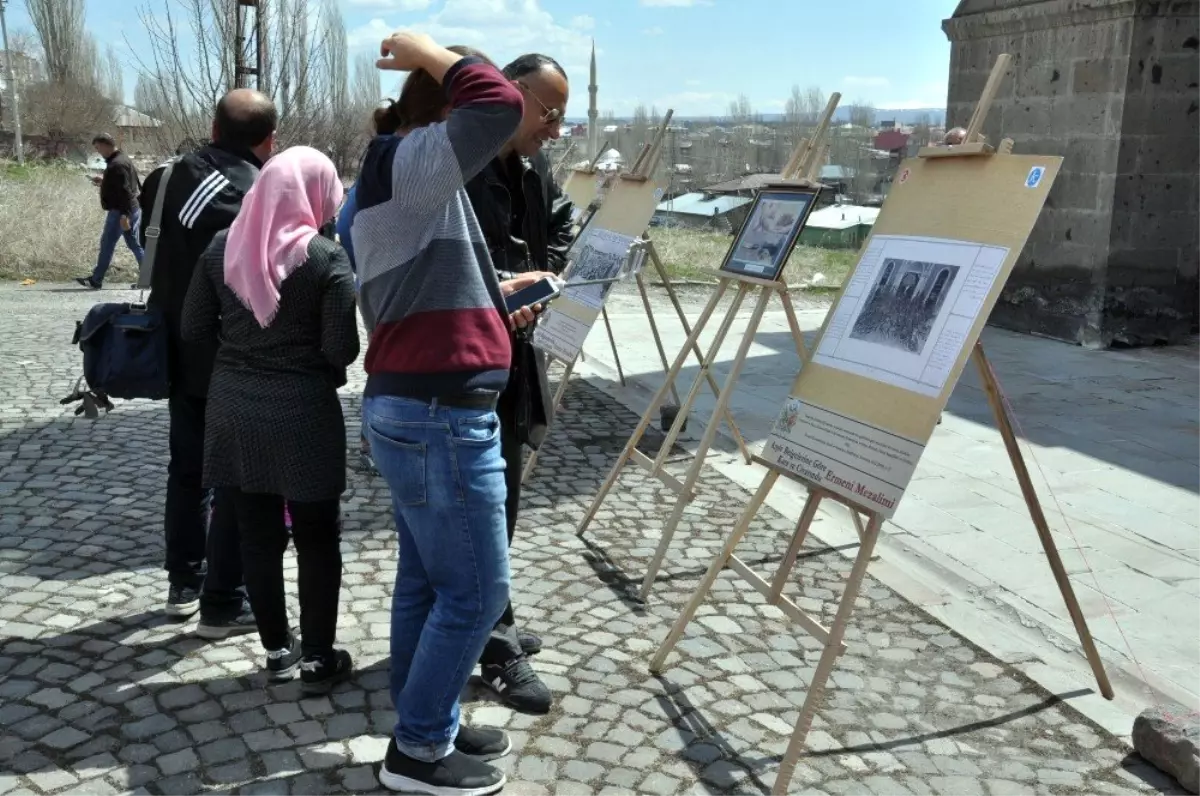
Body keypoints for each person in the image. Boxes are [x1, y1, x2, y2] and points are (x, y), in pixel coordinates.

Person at [354, 32, 555, 795]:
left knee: (428, 586)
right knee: (474, 594)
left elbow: (412, 295)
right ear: (441, 112)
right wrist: (424, 49)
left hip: (420, 405)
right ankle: (418, 755)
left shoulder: (399, 181)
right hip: (439, 415)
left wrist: (498, 295)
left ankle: (422, 719)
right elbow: (498, 102)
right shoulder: (411, 166)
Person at [180, 146, 358, 692]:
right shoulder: (328, 259)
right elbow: (342, 349)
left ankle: (278, 650)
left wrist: (241, 356)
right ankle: (319, 658)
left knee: (256, 534)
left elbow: (191, 330)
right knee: (316, 536)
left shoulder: (219, 250)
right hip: (304, 411)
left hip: (234, 408)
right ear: (315, 193)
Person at [140, 89, 278, 638]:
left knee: (187, 470)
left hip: (175, 346)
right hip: (236, 357)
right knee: (236, 480)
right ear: (268, 140)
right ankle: (226, 598)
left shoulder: (166, 177)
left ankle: (183, 583)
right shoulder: (257, 193)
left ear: (213, 127)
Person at [460, 52, 573, 715]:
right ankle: (493, 643)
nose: (554, 130)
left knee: (502, 496)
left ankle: (492, 615)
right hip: (462, 367)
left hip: (514, 358)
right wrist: (498, 294)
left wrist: (543, 275)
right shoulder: (458, 167)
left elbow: (557, 221)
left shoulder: (532, 167)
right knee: (478, 508)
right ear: (512, 95)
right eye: (550, 113)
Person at [76, 134, 144, 289]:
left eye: (98, 148)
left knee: (110, 244)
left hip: (121, 211)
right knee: (133, 244)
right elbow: (128, 185)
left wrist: (124, 215)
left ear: (106, 145)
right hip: (132, 208)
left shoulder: (116, 165)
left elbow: (125, 191)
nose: (98, 152)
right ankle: (147, 279)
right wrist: (104, 183)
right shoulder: (123, 159)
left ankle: (97, 279)